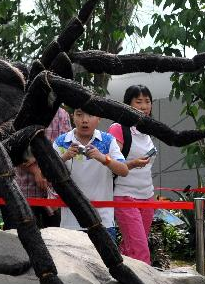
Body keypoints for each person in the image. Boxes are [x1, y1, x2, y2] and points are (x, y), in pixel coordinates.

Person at [53, 108, 128, 240]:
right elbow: (46, 174)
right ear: (73, 117)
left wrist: (103, 158)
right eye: (79, 115)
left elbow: (124, 170)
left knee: (106, 260)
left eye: (90, 114)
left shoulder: (108, 140)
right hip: (71, 221)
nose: (85, 120)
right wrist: (64, 157)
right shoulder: (61, 142)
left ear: (99, 118)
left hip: (103, 219)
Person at [108, 85, 156, 264]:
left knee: (132, 247)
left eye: (147, 101)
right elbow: (112, 164)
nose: (144, 106)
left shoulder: (148, 130)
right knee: (141, 252)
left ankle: (121, 277)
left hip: (148, 196)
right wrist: (133, 164)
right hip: (125, 196)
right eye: (138, 102)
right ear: (127, 105)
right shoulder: (118, 129)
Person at [15, 106, 72, 228]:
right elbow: (12, 150)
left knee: (56, 237)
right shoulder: (19, 112)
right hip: (25, 190)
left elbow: (66, 148)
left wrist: (45, 170)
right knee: (25, 235)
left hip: (54, 190)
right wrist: (36, 171)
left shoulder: (62, 115)